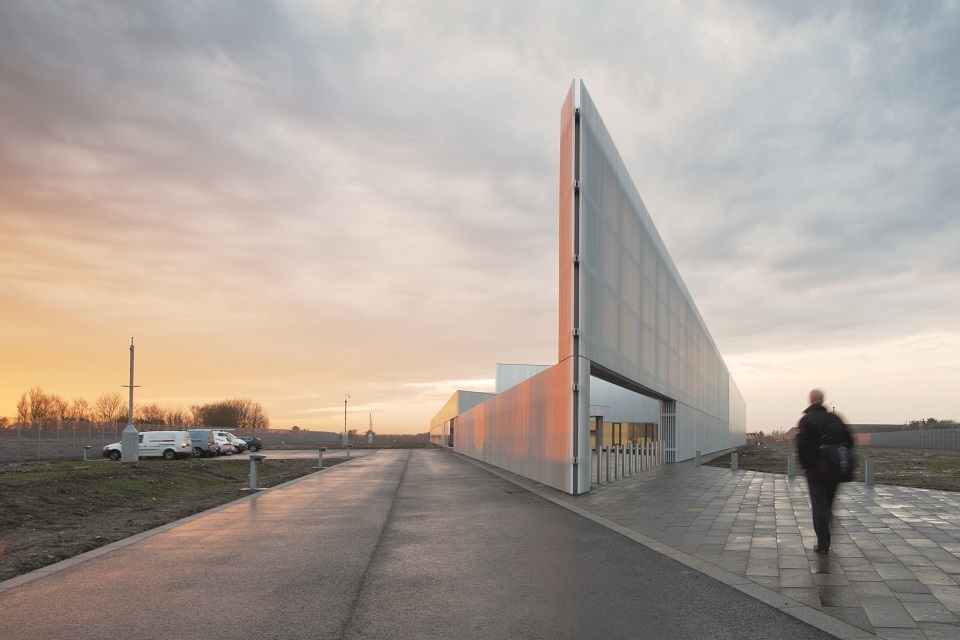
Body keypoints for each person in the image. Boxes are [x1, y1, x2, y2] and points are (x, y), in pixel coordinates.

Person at [795, 388, 854, 555]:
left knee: (819, 505)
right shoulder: (835, 419)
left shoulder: (807, 419)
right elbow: (849, 440)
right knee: (827, 503)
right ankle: (826, 532)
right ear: (822, 400)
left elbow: (802, 445)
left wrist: (808, 465)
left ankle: (823, 544)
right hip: (836, 468)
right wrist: (838, 455)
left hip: (816, 469)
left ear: (810, 399)